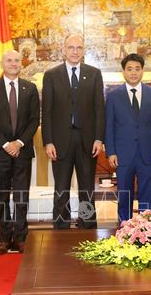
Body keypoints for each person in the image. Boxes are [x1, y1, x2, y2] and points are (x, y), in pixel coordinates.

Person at [42, 34, 105, 229]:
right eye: (71, 47)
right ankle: (61, 226)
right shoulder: (51, 75)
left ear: (84, 50)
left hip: (88, 141)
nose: (75, 51)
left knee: (87, 187)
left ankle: (87, 224)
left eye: (79, 47)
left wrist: (99, 138)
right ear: (64, 50)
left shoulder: (94, 74)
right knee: (61, 187)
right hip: (60, 141)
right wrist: (48, 141)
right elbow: (47, 111)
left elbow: (99, 109)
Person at [0, 50, 40, 254]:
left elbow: (34, 119)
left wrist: (19, 143)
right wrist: (6, 144)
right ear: (2, 63)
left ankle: (21, 237)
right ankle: (4, 238)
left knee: (21, 196)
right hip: (0, 152)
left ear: (21, 64)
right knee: (2, 197)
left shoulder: (30, 88)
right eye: (9, 60)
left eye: (16, 60)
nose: (13, 64)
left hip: (22, 151)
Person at [105, 54, 151, 222]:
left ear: (142, 71)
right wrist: (111, 152)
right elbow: (109, 126)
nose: (133, 73)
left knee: (147, 196)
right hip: (122, 155)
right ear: (123, 72)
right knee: (124, 195)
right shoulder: (113, 95)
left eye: (137, 69)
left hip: (148, 153)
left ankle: (146, 230)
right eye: (130, 69)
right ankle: (124, 229)